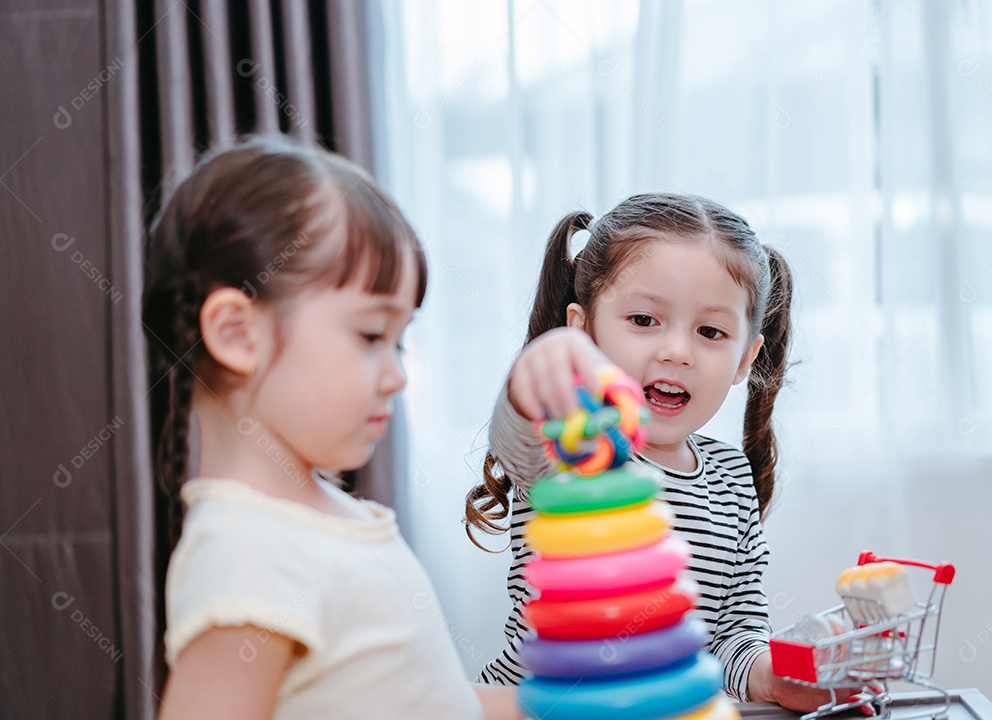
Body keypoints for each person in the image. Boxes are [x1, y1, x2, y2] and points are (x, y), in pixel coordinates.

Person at [143, 136, 519, 720]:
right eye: (371, 336)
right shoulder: (249, 550)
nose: (397, 375)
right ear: (237, 334)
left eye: (400, 341)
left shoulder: (331, 521)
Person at [465, 193, 853, 712]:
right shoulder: (574, 447)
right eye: (644, 320)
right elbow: (515, 437)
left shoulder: (732, 479)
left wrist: (774, 675)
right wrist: (543, 369)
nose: (677, 351)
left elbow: (733, 636)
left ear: (745, 358)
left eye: (711, 331)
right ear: (583, 329)